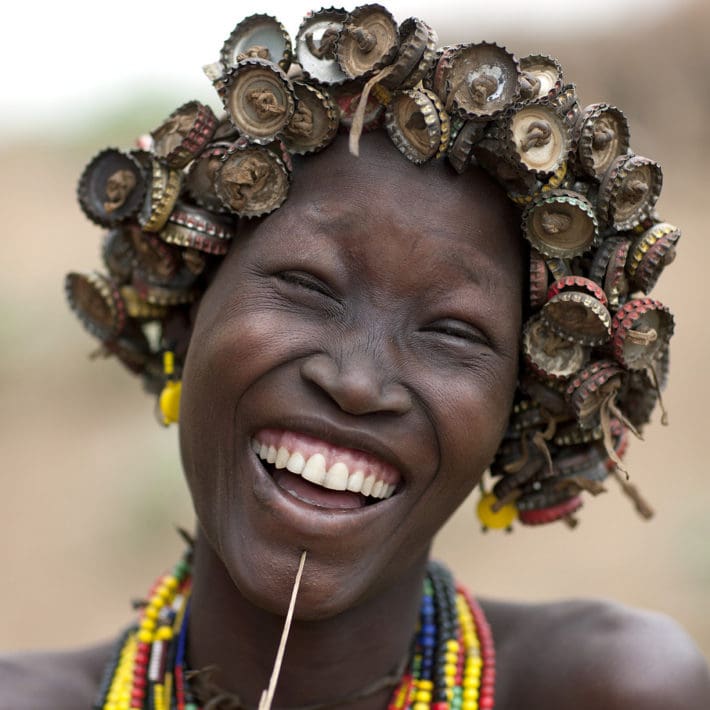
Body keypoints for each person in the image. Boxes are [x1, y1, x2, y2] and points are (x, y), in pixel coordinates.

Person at [2, 6, 709, 709]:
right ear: (188, 314)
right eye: (306, 287)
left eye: (455, 334)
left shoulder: (612, 692)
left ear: (521, 408)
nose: (358, 383)